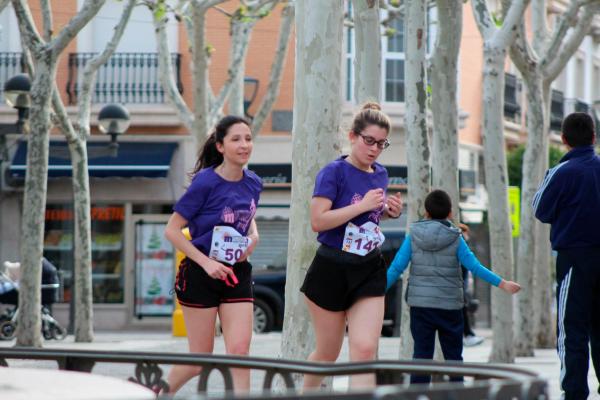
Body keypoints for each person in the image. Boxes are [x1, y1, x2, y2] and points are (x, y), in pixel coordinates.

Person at [300, 102, 403, 390]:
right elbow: (318, 221)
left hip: (368, 267)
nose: (374, 149)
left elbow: (369, 217)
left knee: (364, 351)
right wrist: (363, 206)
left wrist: (386, 212)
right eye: (369, 140)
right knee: (327, 353)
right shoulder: (333, 172)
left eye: (381, 144)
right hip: (330, 268)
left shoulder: (380, 174)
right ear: (353, 136)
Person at [163, 115, 262, 395]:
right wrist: (206, 263)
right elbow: (171, 230)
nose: (244, 145)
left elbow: (249, 217)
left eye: (248, 138)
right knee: (200, 360)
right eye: (236, 139)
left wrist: (254, 237)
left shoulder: (254, 183)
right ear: (220, 146)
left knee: (240, 351)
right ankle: (158, 392)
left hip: (237, 273)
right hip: (200, 273)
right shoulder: (206, 182)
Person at [386, 189, 520, 384]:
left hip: (421, 307)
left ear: (426, 212)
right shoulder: (456, 238)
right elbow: (475, 267)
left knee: (421, 357)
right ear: (450, 213)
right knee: (454, 359)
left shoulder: (413, 235)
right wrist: (503, 283)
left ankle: (417, 397)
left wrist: (377, 292)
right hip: (450, 307)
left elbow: (397, 267)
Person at [533, 112, 600, 400]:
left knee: (571, 328)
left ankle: (574, 393)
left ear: (563, 139)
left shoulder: (562, 172)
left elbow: (540, 209)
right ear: (594, 137)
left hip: (574, 258)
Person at [457, 223, 484, 347]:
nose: (466, 235)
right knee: (462, 311)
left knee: (463, 310)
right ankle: (467, 335)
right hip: (458, 286)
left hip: (461, 285)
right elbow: (475, 267)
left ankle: (468, 334)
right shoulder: (461, 245)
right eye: (464, 232)